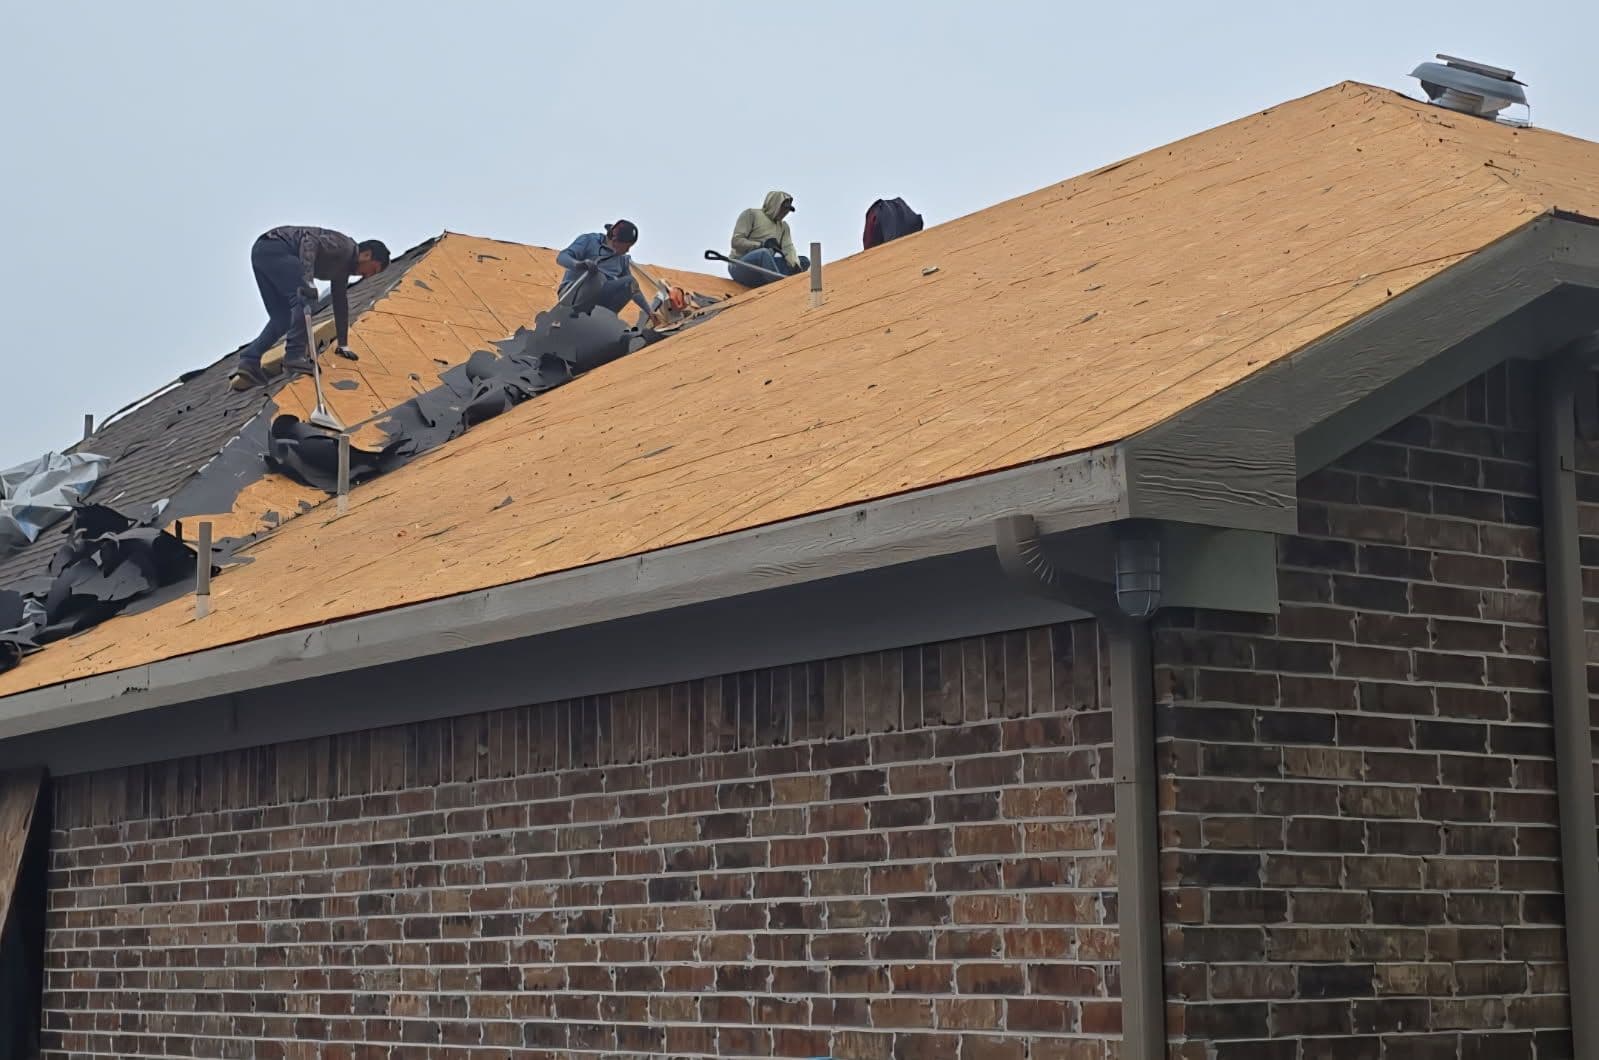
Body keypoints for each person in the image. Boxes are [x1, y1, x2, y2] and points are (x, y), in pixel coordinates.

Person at [232, 227, 390, 390]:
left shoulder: (342, 271)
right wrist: (307, 279)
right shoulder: (344, 247)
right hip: (278, 247)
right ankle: (294, 356)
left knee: (283, 318)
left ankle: (249, 360)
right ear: (366, 255)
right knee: (306, 300)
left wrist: (343, 344)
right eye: (374, 269)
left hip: (262, 251)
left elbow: (340, 304)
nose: (368, 276)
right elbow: (309, 241)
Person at [554, 220, 661, 325]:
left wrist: (649, 312)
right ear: (615, 240)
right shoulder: (590, 241)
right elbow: (561, 257)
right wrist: (579, 264)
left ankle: (600, 323)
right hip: (572, 295)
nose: (628, 250)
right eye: (627, 246)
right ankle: (576, 317)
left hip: (599, 297)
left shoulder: (622, 259)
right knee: (598, 277)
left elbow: (633, 287)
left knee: (629, 282)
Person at [728, 191, 809, 287]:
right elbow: (736, 242)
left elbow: (788, 247)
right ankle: (778, 287)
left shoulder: (783, 226)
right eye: (784, 208)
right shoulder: (751, 214)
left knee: (804, 261)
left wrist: (795, 265)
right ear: (775, 204)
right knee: (763, 253)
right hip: (741, 265)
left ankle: (789, 284)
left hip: (766, 270)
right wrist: (761, 245)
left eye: (788, 209)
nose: (785, 212)